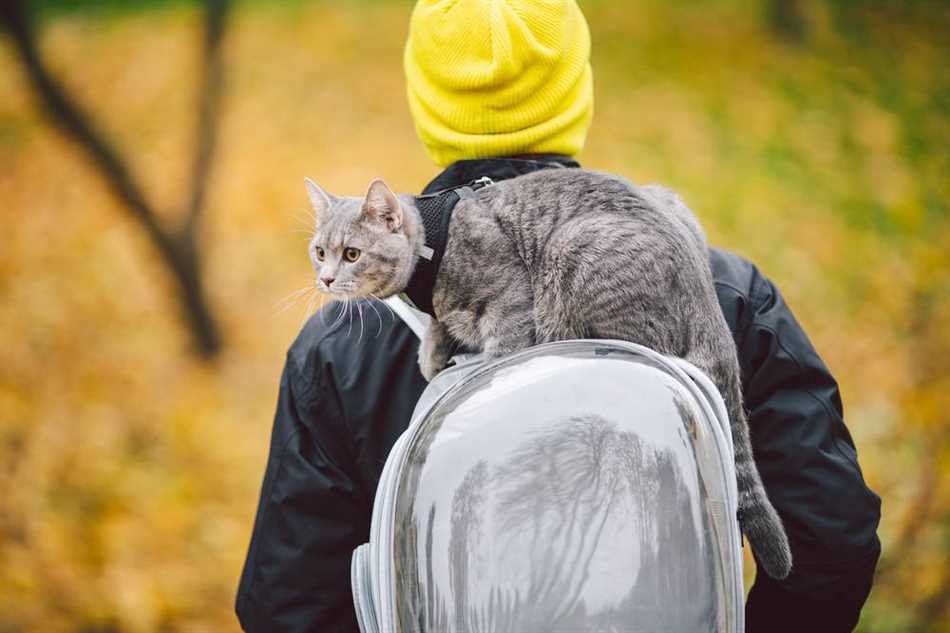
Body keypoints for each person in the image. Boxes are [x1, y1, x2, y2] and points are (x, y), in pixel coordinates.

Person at [235, 1, 882, 631]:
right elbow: (830, 540)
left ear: (427, 107)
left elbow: (287, 602)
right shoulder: (723, 289)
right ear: (578, 92)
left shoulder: (339, 343)